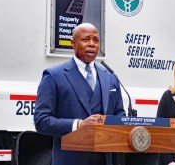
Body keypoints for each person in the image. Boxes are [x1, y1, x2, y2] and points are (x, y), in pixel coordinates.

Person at [33, 23, 125, 165]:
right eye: (86, 39)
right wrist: (79, 125)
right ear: (73, 43)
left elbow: (120, 115)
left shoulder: (110, 77)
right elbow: (41, 121)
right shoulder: (54, 76)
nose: (92, 44)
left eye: (95, 40)